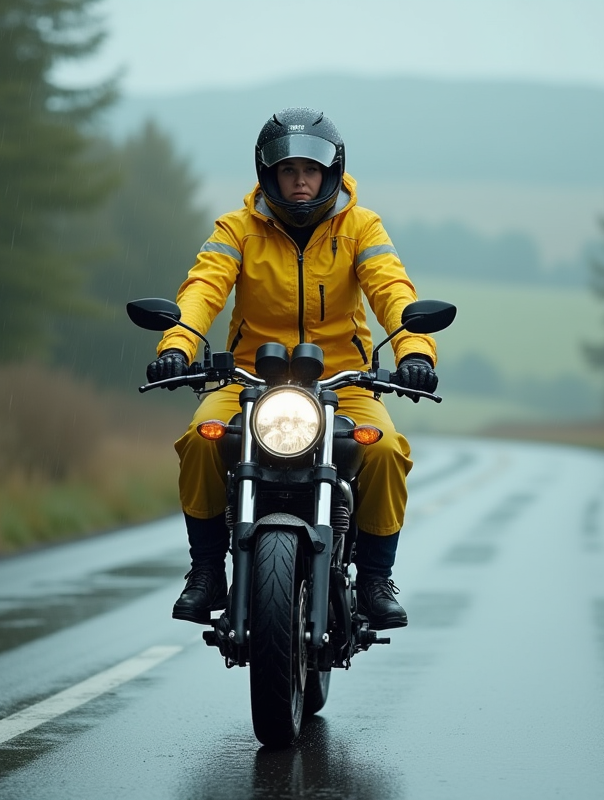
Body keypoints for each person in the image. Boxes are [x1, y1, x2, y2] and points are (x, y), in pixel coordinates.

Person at [146, 107, 438, 630]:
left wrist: (414, 353)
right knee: (199, 438)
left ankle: (375, 577)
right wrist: (179, 343)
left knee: (389, 449)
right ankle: (208, 570)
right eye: (288, 170)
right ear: (268, 174)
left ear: (330, 172)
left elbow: (393, 290)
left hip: (344, 382)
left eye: (311, 170)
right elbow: (203, 288)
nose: (300, 181)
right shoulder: (237, 229)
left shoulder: (361, 227)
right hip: (248, 383)